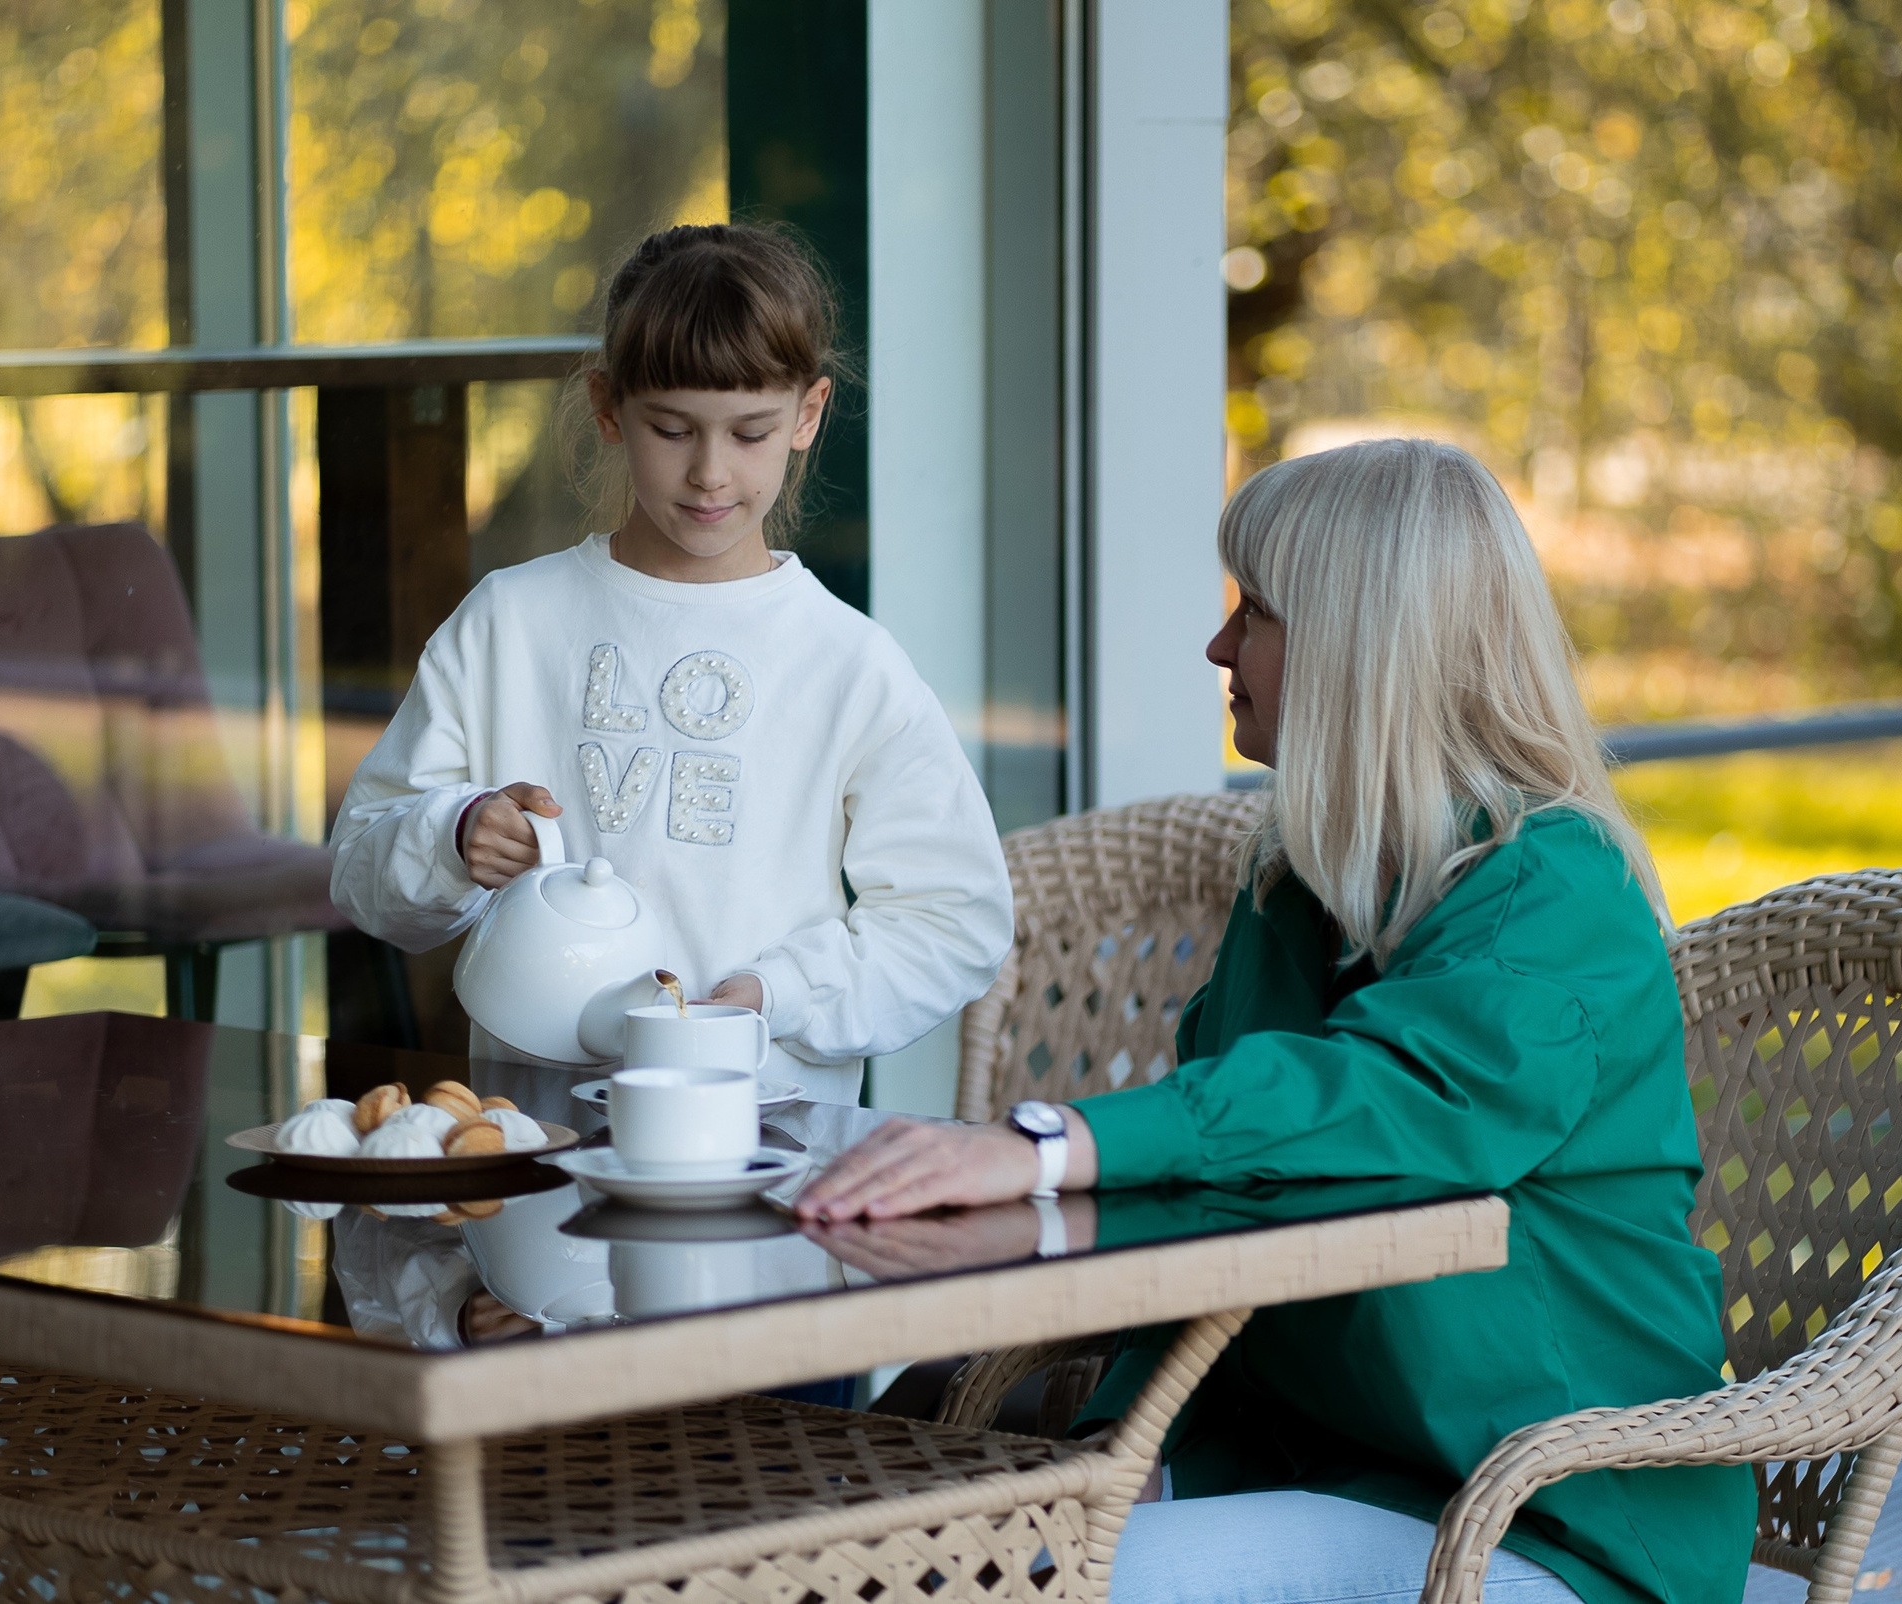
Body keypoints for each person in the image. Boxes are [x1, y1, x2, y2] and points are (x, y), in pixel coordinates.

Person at [796, 438, 1754, 1604]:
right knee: (903, 1546)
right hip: (1341, 1474)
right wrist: (1122, 1448)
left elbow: (1387, 1100)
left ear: (1363, 647)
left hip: (1554, 1518)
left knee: (1035, 1583)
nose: (1217, 645)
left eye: (1255, 611)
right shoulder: (1297, 889)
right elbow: (1218, 1218)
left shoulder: (1553, 891)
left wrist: (1045, 1141)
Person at [330, 222, 1012, 1113]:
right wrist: (455, 836)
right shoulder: (511, 622)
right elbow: (361, 873)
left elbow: (954, 917)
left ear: (808, 415)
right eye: (673, 428)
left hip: (762, 1144)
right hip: (537, 1143)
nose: (709, 473)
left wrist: (775, 997)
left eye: (750, 432)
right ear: (609, 406)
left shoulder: (848, 662)